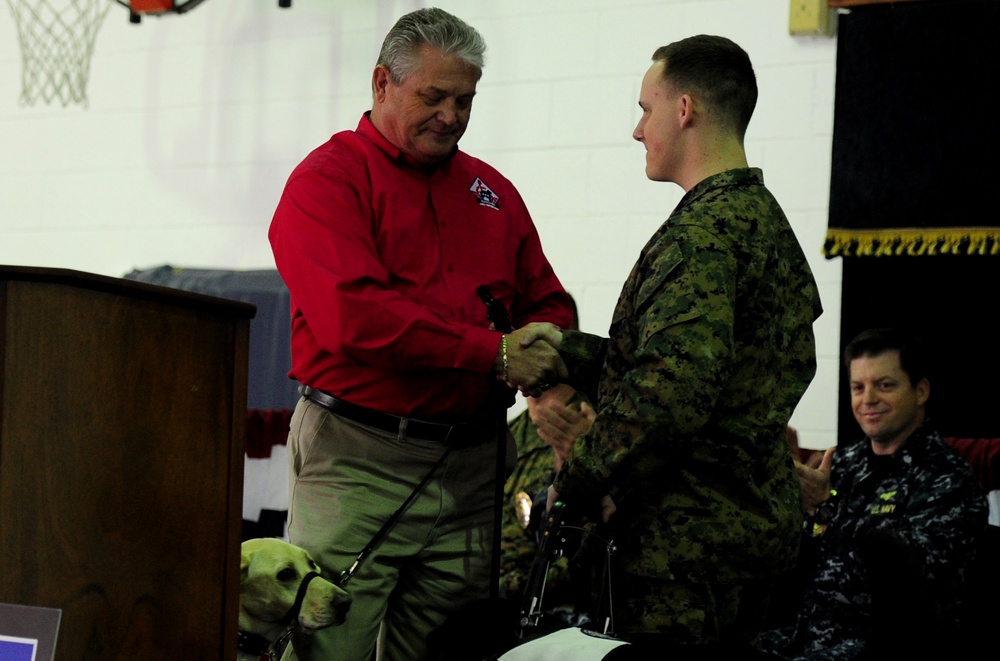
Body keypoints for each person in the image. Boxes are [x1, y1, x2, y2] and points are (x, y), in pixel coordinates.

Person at [267, 8, 574, 660]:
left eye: (465, 99)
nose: (452, 115)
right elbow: (354, 317)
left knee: (448, 651)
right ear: (382, 84)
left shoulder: (494, 192)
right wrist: (492, 354)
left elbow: (547, 299)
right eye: (433, 96)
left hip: (471, 470)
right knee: (329, 649)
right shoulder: (326, 182)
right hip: (357, 459)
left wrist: (551, 365)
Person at [517, 35, 823, 654]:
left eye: (645, 108)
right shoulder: (765, 222)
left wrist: (571, 487)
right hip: (744, 528)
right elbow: (710, 372)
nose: (637, 129)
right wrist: (563, 350)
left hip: (682, 548)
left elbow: (668, 397)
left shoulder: (703, 236)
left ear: (684, 109)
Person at [760, 329, 988, 660]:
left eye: (884, 385)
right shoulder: (842, 464)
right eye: (858, 387)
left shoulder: (947, 479)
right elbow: (798, 559)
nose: (867, 400)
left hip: (884, 645)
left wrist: (826, 507)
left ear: (921, 391)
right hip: (808, 633)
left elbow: (902, 577)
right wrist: (782, 497)